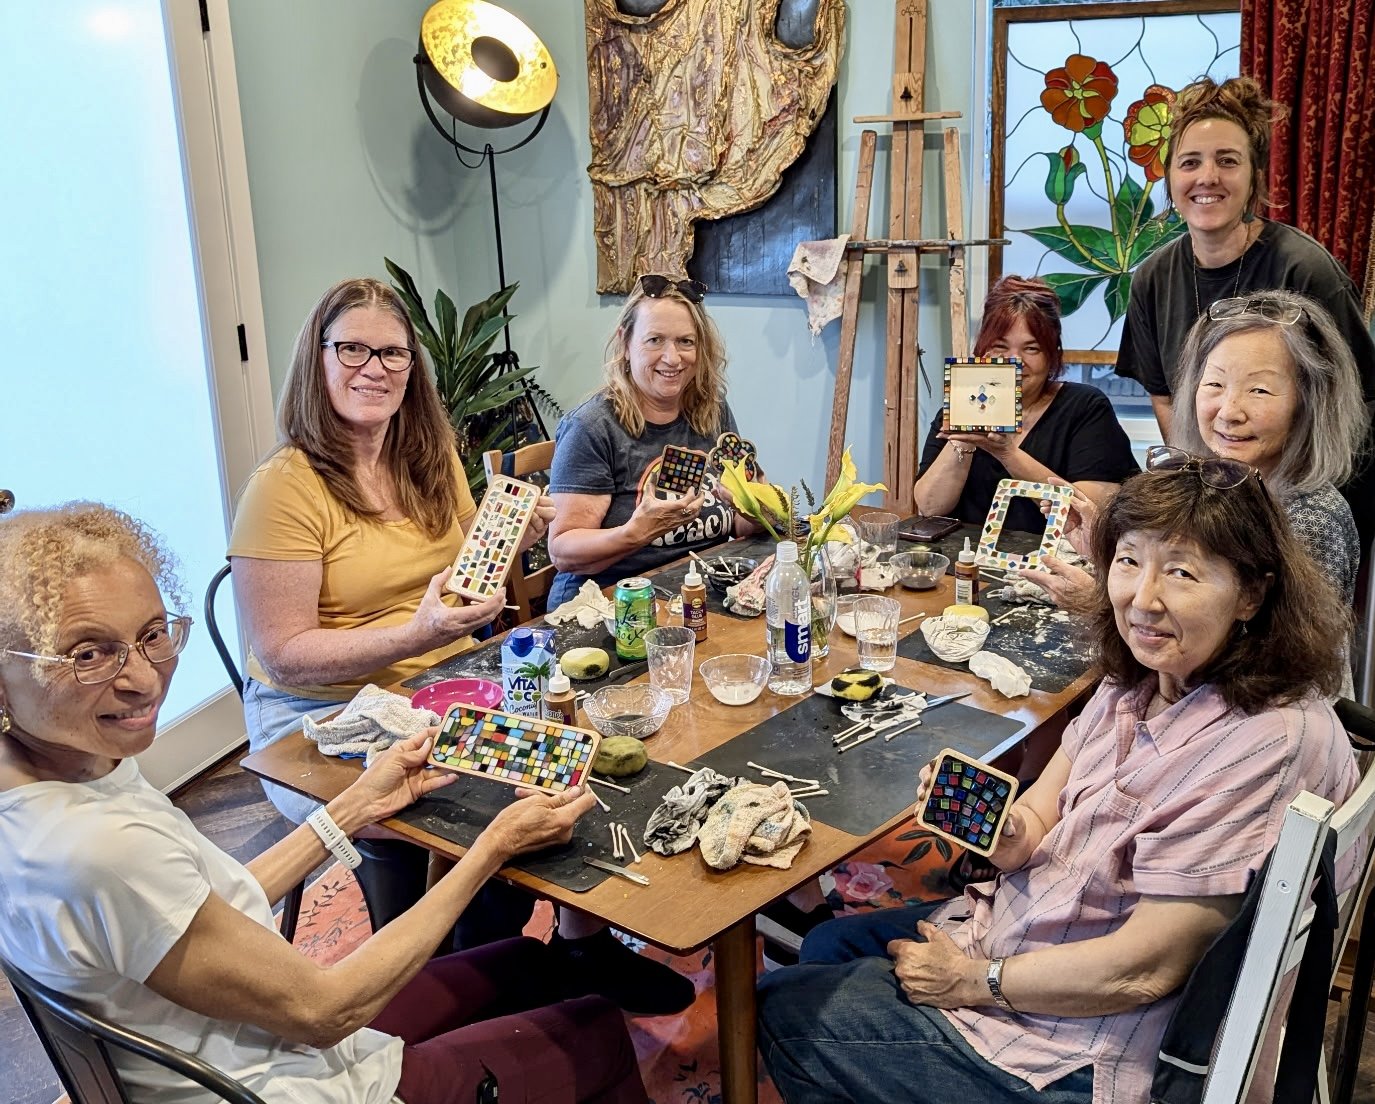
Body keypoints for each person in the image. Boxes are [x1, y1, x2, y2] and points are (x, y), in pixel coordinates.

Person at [0, 503, 648, 1104]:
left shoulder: (62, 780)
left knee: (528, 963)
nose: (142, 679)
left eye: (150, 636)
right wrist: (492, 849)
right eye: (87, 653)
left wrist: (354, 807)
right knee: (595, 1026)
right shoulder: (99, 850)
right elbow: (325, 1011)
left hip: (241, 1042)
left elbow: (198, 909)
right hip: (283, 1083)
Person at [757, 460, 1358, 1103]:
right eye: (1129, 561)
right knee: (824, 942)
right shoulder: (1139, 679)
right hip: (1034, 927)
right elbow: (1033, 826)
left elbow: (1147, 968)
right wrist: (990, 818)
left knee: (782, 1010)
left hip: (1088, 1047)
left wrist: (972, 980)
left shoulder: (1260, 742)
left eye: (1182, 572)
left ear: (1252, 595)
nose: (1143, 598)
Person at [229, 278, 692, 1013]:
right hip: (319, 717)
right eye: (352, 349)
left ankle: (576, 946)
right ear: (315, 360)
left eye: (393, 353)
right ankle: (456, 990)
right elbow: (284, 653)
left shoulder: (426, 453)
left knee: (576, 761)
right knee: (487, 808)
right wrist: (417, 633)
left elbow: (464, 562)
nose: (374, 368)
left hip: (441, 679)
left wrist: (519, 530)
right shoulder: (283, 486)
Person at [1112, 75, 1375, 554]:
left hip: (1305, 503)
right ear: (1170, 178)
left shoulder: (1306, 270)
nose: (1207, 177)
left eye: (1227, 161)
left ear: (1255, 176)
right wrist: (1206, 495)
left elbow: (1352, 408)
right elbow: (1169, 400)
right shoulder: (1152, 278)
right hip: (1219, 502)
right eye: (1190, 162)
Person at [1027, 291, 1366, 617]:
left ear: (1309, 404)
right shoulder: (1219, 488)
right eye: (1215, 384)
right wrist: (1105, 550)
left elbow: (1271, 662)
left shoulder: (1312, 520)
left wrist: (1103, 605)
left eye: (1259, 390)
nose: (1229, 411)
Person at [547, 274, 758, 606]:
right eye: (655, 340)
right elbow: (563, 551)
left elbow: (745, 524)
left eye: (685, 342)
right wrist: (638, 531)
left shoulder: (712, 409)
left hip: (698, 594)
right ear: (625, 344)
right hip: (608, 605)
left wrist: (756, 504)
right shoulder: (591, 427)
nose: (672, 358)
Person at [913, 275, 1138, 533]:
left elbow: (1087, 514)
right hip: (966, 561)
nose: (1015, 361)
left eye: (1031, 349)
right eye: (1000, 347)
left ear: (1052, 354)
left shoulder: (1085, 407)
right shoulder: (960, 406)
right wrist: (965, 437)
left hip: (1054, 564)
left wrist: (1007, 453)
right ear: (982, 351)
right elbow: (930, 507)